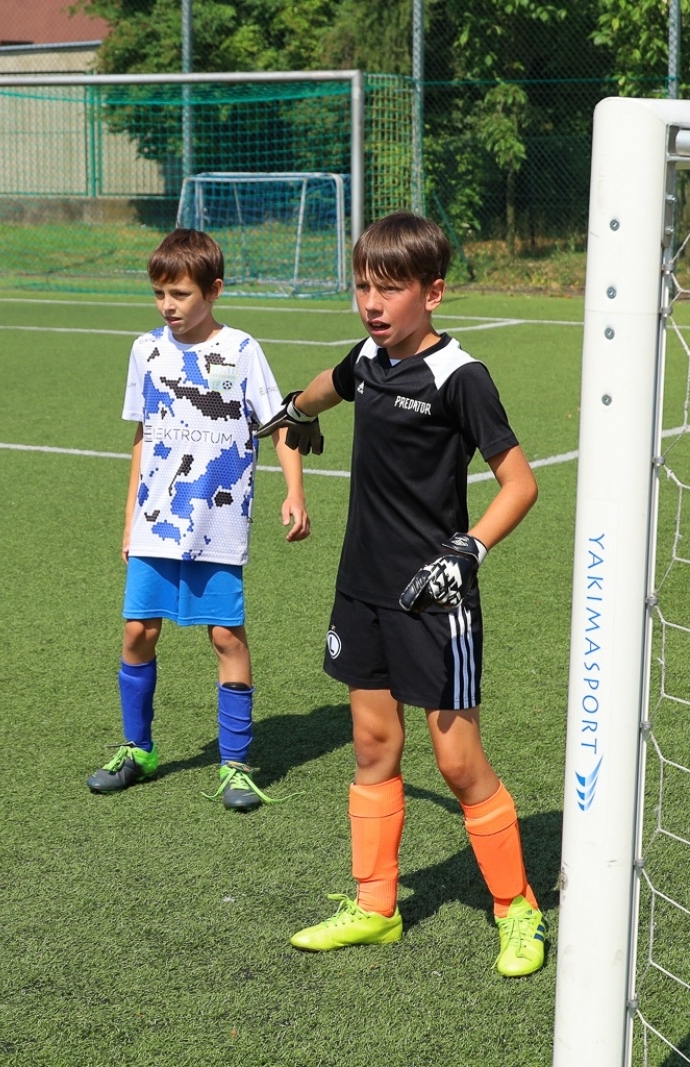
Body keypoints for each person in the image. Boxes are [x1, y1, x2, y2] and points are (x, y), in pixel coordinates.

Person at [256, 212, 545, 976]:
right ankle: (375, 907)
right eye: (361, 287)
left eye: (390, 289)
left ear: (434, 292)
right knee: (374, 746)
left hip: (435, 597)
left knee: (457, 761)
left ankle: (517, 908)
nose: (372, 304)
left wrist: (469, 548)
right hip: (362, 590)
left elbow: (520, 484)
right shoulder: (367, 359)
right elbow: (329, 384)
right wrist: (294, 411)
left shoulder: (461, 378)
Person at [88, 228, 312, 813]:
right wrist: (129, 519)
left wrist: (295, 492)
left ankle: (235, 767)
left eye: (181, 294)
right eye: (160, 293)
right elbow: (143, 435)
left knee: (225, 637)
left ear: (213, 291)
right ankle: (138, 750)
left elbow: (280, 422)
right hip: (156, 522)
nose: (169, 305)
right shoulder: (146, 350)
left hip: (218, 524)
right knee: (138, 632)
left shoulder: (240, 350)